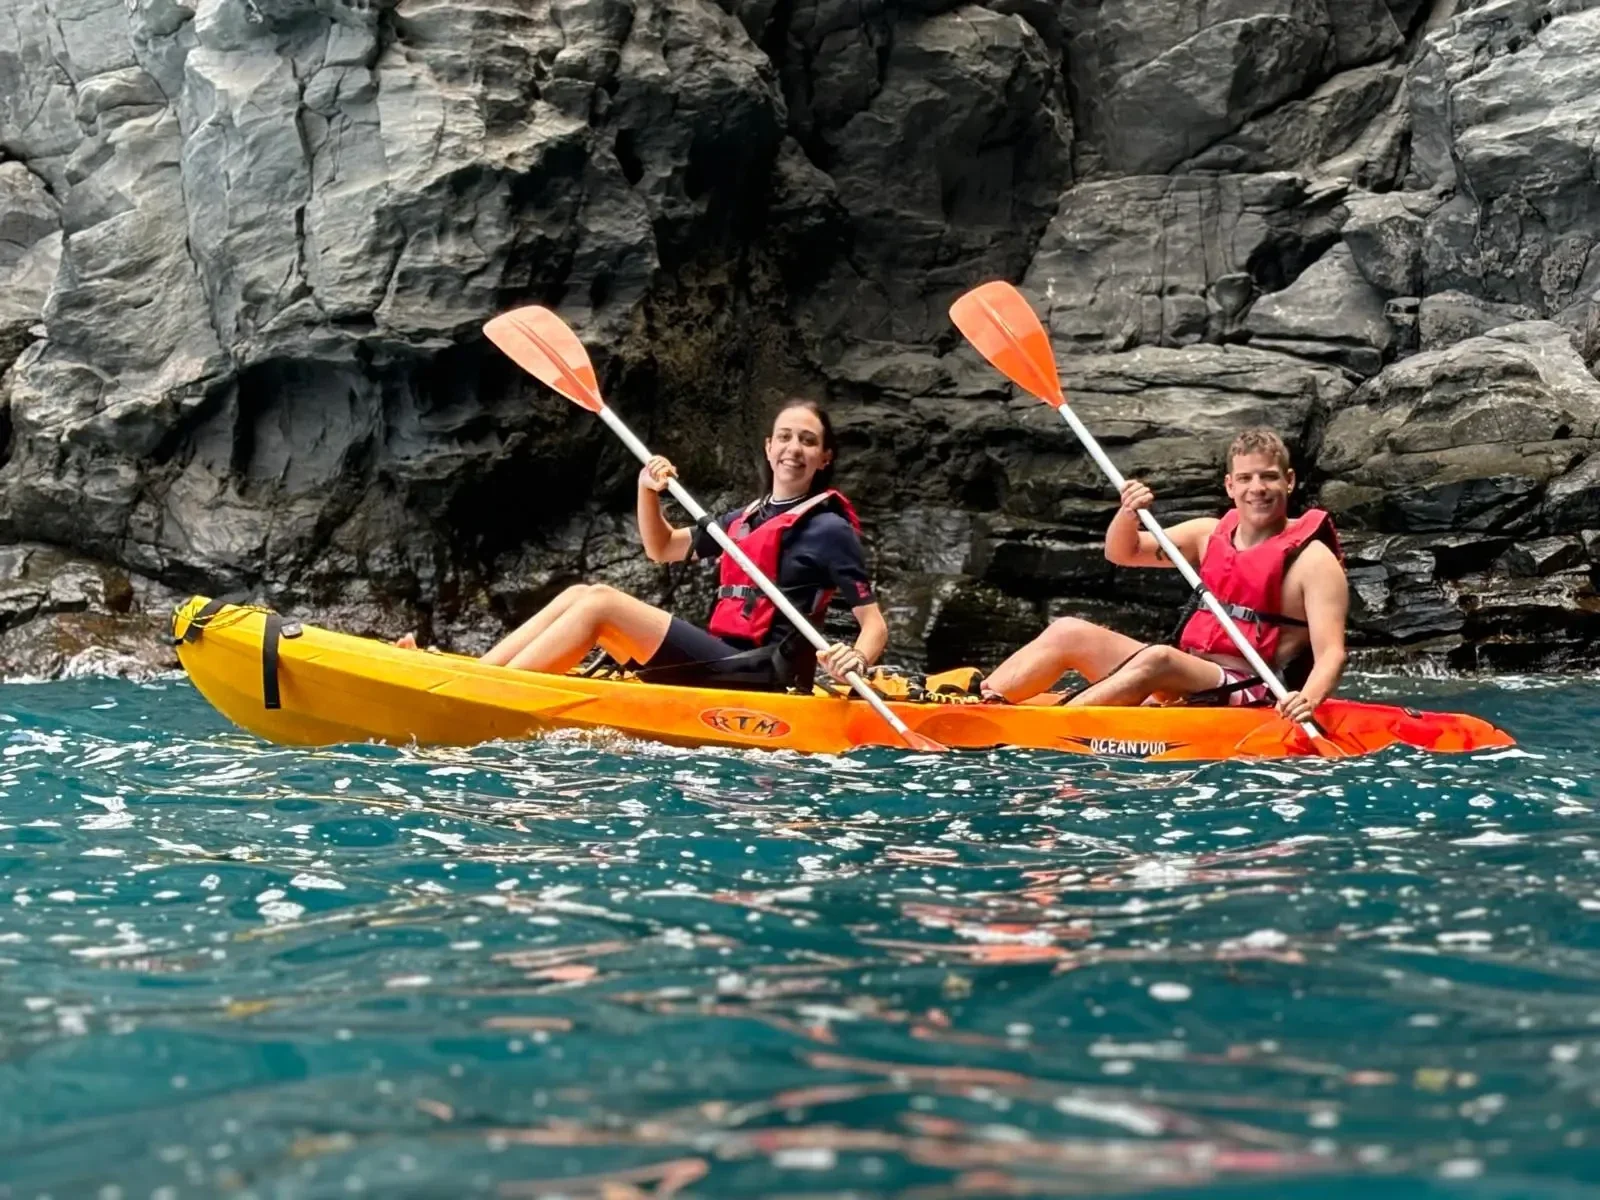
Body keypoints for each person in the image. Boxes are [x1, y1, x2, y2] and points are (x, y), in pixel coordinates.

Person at [407, 401, 888, 689]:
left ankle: (493, 691)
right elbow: (662, 548)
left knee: (599, 603)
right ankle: (481, 676)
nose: (793, 448)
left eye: (807, 441)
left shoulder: (828, 529)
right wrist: (646, 490)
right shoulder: (744, 519)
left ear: (824, 458)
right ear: (768, 447)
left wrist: (858, 659)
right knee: (580, 594)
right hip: (723, 655)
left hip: (763, 673)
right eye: (784, 437)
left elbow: (873, 626)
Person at [981, 428, 1348, 726]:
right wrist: (1128, 513)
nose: (1257, 488)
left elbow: (1331, 652)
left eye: (1268, 477)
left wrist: (1307, 702)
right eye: (1245, 478)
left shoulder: (1314, 562)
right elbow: (1121, 553)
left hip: (1251, 689)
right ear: (1229, 486)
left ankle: (1047, 730)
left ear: (1289, 481)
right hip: (1188, 677)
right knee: (1068, 631)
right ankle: (981, 701)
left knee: (1159, 658)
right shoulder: (1207, 534)